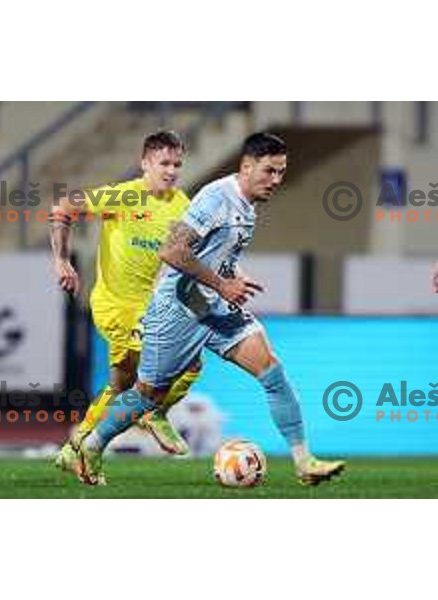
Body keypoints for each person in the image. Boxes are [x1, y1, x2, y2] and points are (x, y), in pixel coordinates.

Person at [74, 132, 346, 486]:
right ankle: (92, 445)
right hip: (177, 309)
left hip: (212, 308)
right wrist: (223, 284)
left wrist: (231, 275)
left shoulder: (247, 205)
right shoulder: (216, 197)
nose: (276, 180)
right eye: (269, 171)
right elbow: (171, 251)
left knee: (272, 370)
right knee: (148, 395)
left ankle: (304, 462)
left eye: (281, 172)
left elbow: (214, 254)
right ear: (246, 167)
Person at [50, 131, 202, 484]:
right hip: (115, 306)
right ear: (145, 163)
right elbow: (63, 207)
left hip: (150, 310)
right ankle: (155, 413)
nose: (171, 170)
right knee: (180, 361)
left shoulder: (183, 205)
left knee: (122, 386)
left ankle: (74, 449)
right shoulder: (122, 196)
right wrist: (61, 260)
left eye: (177, 164)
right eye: (164, 163)